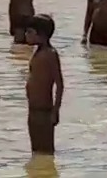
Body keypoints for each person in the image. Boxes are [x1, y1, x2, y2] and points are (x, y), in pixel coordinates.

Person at [25, 14, 64, 155]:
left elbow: (59, 84)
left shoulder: (50, 54)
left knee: (46, 151)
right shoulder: (37, 53)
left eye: (29, 32)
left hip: (44, 111)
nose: (26, 35)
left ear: (41, 35)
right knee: (36, 152)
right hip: (33, 110)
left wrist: (56, 110)